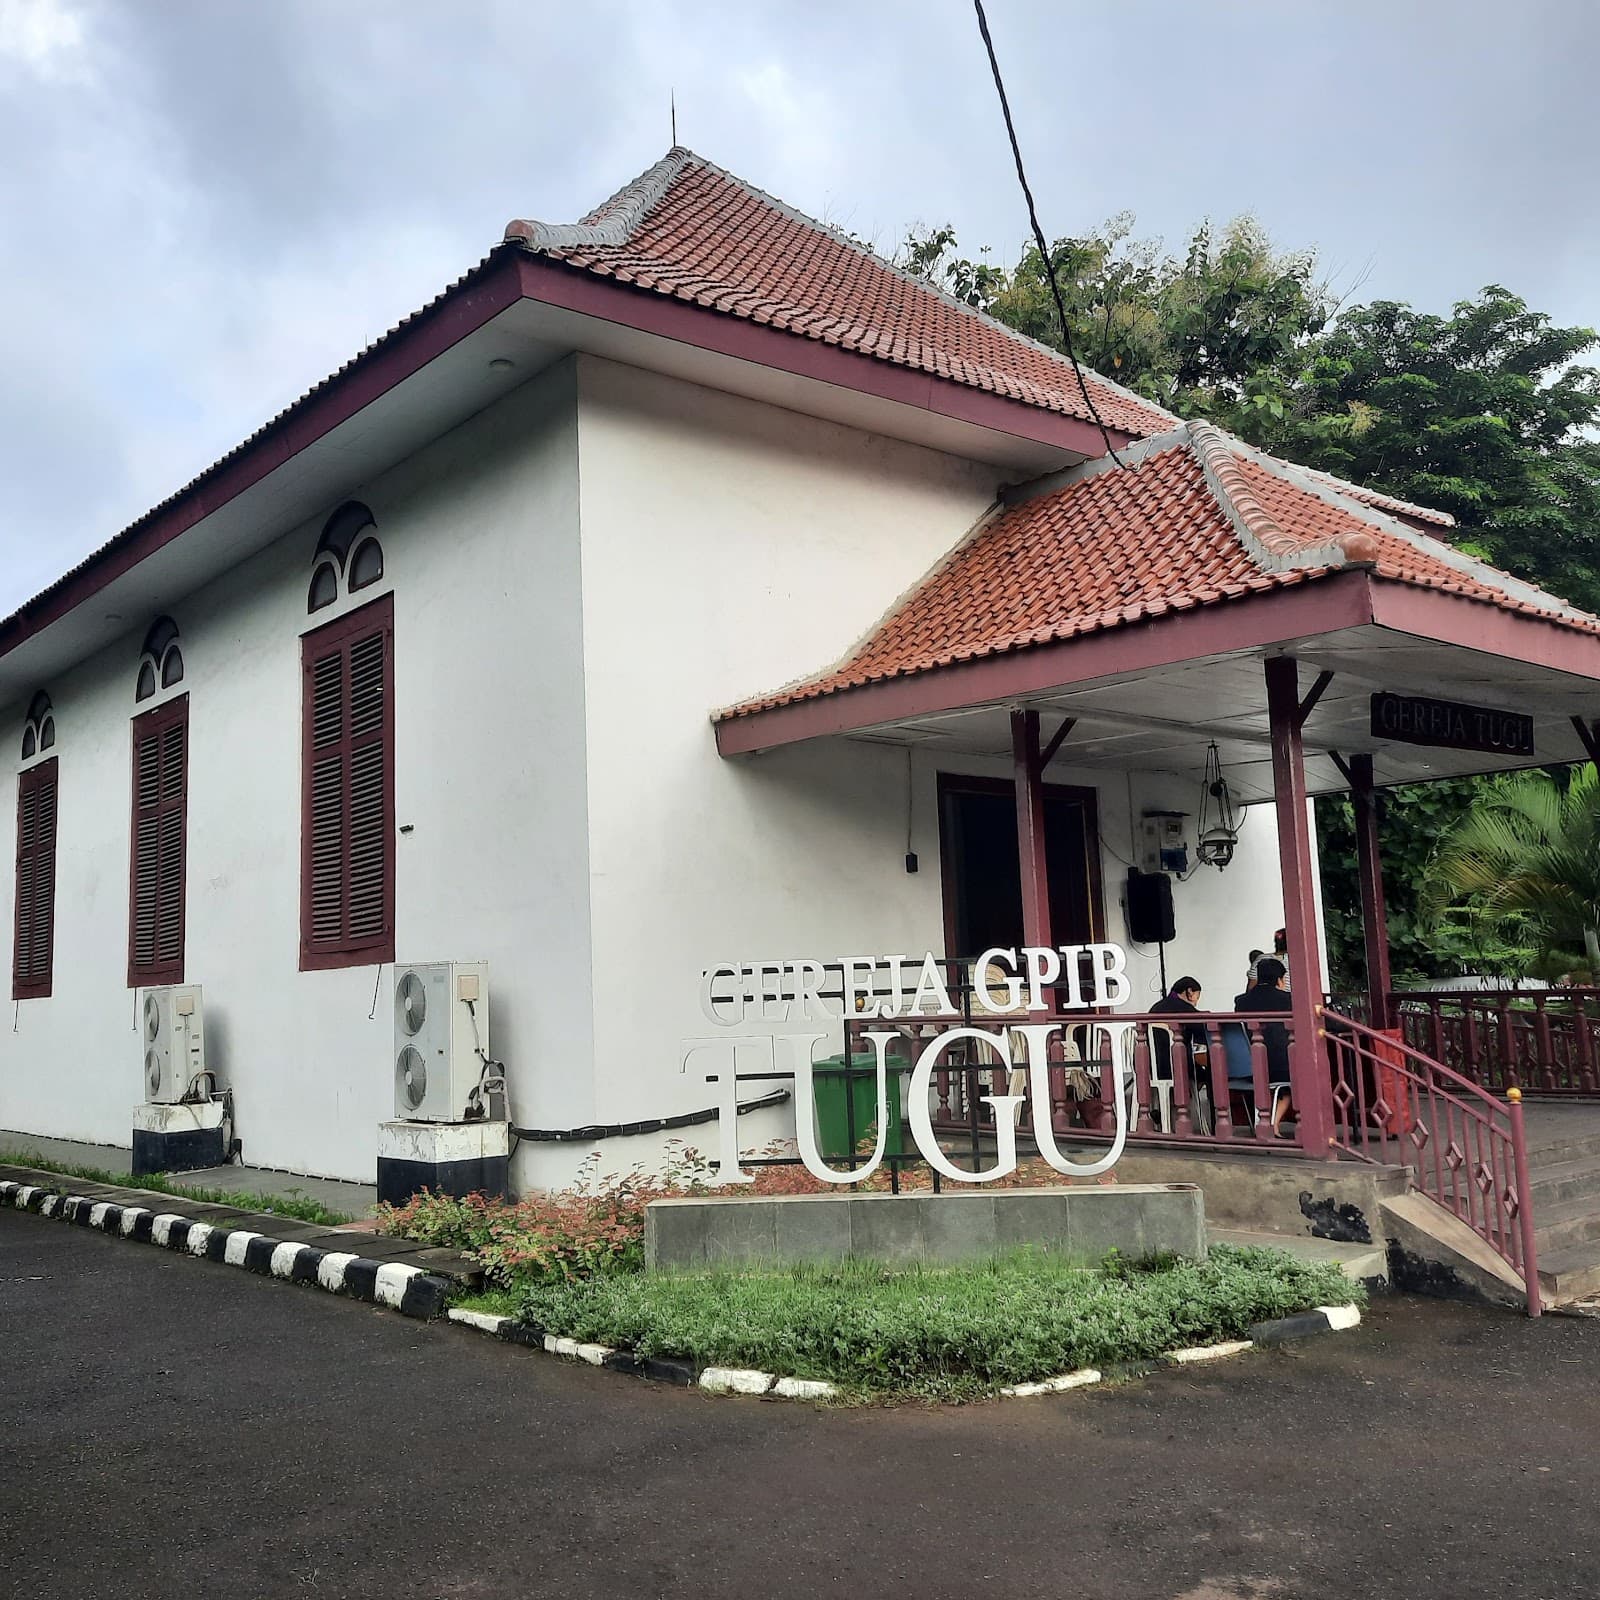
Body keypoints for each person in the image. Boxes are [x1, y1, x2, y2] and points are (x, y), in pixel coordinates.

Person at [1236, 958, 1293, 1135]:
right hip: (1280, 1065)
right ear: (1279, 979)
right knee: (1305, 1076)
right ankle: (1273, 1124)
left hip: (1248, 1064)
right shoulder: (1287, 999)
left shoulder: (1241, 1001)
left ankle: (1265, 1122)